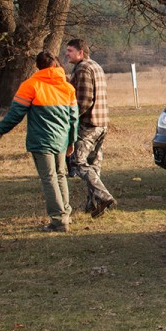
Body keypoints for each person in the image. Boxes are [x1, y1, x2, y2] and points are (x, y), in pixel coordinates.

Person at [0, 51, 78, 232]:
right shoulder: (67, 87)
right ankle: (66, 215)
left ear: (37, 67)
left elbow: (16, 113)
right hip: (62, 140)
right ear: (55, 65)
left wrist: (1, 131)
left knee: (49, 178)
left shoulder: (31, 85)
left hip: (41, 140)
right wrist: (71, 141)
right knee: (60, 175)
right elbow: (73, 119)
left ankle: (58, 220)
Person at [65, 38, 117, 217]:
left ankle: (104, 196)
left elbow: (85, 100)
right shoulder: (96, 66)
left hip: (89, 124)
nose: (67, 54)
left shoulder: (83, 68)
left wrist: (71, 119)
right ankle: (93, 205)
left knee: (78, 163)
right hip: (102, 123)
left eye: (70, 50)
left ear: (80, 52)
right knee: (93, 166)